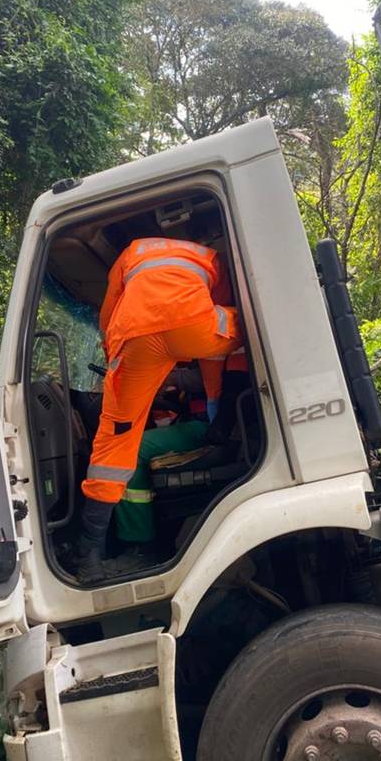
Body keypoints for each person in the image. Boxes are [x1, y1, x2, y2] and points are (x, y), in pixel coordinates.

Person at [74, 236, 242, 582]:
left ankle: (89, 554)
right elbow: (216, 336)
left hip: (134, 334)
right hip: (195, 327)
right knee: (245, 322)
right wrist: (216, 405)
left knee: (117, 437)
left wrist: (118, 364)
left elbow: (109, 315)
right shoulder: (210, 258)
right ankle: (217, 417)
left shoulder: (132, 249)